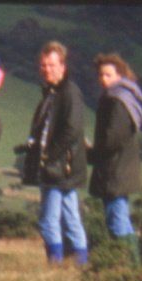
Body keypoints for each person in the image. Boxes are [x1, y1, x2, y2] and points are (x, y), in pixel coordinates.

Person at [20, 41, 88, 266]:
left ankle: (55, 266)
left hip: (59, 168)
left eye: (51, 65)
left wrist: (49, 155)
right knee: (71, 218)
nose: (46, 69)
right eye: (43, 65)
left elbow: (72, 129)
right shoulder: (53, 93)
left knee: (49, 221)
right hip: (64, 168)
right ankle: (79, 266)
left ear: (63, 67)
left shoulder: (69, 93)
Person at [90, 53, 142, 264]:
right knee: (121, 219)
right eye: (101, 75)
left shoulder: (117, 101)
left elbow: (112, 139)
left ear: (120, 75)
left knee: (117, 221)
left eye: (109, 74)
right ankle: (133, 265)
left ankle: (130, 267)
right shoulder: (123, 98)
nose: (104, 79)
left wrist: (92, 152)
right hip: (119, 170)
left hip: (116, 171)